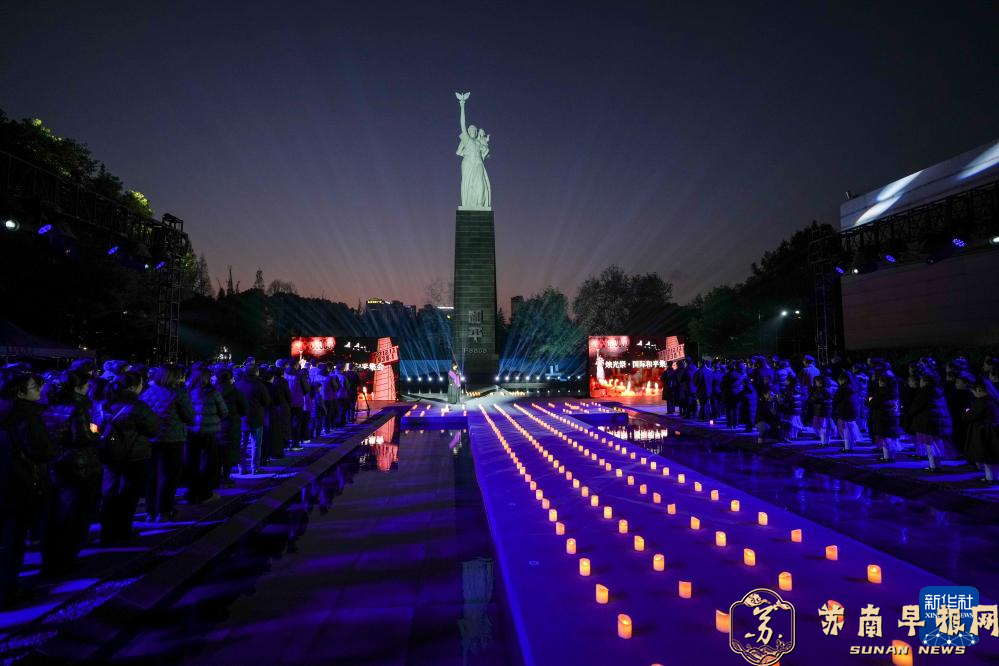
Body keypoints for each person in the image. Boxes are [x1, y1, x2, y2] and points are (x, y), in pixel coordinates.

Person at [0, 371, 59, 606]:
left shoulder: (7, 412)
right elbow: (42, 451)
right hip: (20, 482)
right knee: (13, 540)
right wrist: (56, 441)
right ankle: (8, 589)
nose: (40, 391)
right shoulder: (27, 416)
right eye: (35, 387)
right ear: (20, 391)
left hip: (6, 481)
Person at [40, 370, 102, 576]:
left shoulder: (48, 402)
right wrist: (96, 433)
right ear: (78, 387)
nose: (88, 389)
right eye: (86, 386)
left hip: (55, 463)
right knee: (74, 515)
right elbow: (81, 438)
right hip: (77, 464)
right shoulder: (78, 408)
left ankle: (50, 559)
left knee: (55, 513)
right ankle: (65, 561)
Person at [100, 371, 158, 543]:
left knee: (110, 493)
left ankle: (107, 532)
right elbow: (153, 428)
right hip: (134, 455)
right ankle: (122, 531)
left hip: (109, 453)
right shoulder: (137, 406)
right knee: (128, 495)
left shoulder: (105, 403)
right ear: (135, 386)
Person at [140, 365, 194, 521]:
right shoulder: (177, 393)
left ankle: (150, 511)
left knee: (152, 477)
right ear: (175, 377)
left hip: (151, 439)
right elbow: (189, 416)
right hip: (172, 438)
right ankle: (164, 511)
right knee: (169, 477)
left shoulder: (147, 392)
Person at [185, 366, 228, 504]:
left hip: (190, 432)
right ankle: (205, 494)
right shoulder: (213, 392)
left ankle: (192, 493)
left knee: (192, 463)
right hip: (208, 432)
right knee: (207, 464)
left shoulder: (186, 391)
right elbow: (224, 411)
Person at [908, 371, 956, 472]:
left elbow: (916, 406)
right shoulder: (939, 391)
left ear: (925, 382)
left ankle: (933, 466)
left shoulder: (924, 391)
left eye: (921, 381)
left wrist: (911, 412)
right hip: (938, 421)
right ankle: (936, 465)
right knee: (936, 444)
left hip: (927, 422)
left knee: (930, 445)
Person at [235, 364, 270, 475]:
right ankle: (254, 467)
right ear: (256, 372)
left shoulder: (238, 384)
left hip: (242, 418)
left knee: (242, 443)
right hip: (256, 417)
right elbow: (266, 401)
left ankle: (241, 467)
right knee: (256, 443)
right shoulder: (259, 385)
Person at [214, 367, 246, 487]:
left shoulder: (212, 390)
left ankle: (217, 477)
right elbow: (244, 408)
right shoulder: (235, 392)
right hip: (231, 424)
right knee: (229, 452)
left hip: (216, 425)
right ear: (230, 378)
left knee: (217, 452)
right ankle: (226, 478)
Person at [963, 380, 999, 484]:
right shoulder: (993, 400)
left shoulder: (981, 402)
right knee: (993, 456)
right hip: (994, 430)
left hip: (984, 432)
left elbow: (967, 417)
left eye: (973, 392)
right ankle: (994, 477)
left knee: (986, 456)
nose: (974, 395)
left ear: (979, 390)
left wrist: (967, 411)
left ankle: (990, 478)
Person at [869, 371, 904, 463]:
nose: (878, 383)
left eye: (880, 381)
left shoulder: (881, 393)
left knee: (885, 439)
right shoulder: (894, 392)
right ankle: (890, 456)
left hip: (882, 419)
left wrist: (870, 398)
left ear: (884, 382)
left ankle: (887, 457)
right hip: (893, 418)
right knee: (890, 438)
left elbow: (870, 403)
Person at [833, 370, 862, 453]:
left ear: (843, 379)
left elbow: (836, 399)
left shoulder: (843, 388)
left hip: (844, 411)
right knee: (850, 428)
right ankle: (851, 446)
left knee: (844, 429)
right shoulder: (854, 386)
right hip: (853, 410)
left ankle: (847, 447)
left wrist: (835, 409)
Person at [809, 375, 836, 447]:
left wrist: (815, 399)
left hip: (823, 411)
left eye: (819, 381)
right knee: (822, 427)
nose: (818, 382)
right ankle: (824, 442)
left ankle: (824, 443)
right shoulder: (818, 390)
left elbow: (822, 400)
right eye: (816, 381)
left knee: (824, 427)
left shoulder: (824, 390)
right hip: (820, 411)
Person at [754, 378, 781, 445]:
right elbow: (765, 412)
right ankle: (760, 441)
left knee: (784, 424)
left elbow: (777, 411)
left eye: (772, 393)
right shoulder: (762, 401)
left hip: (771, 420)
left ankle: (776, 438)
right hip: (761, 421)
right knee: (765, 427)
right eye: (769, 394)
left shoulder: (774, 399)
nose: (771, 395)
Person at [778, 373, 803, 440]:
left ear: (789, 381)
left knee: (791, 423)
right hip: (797, 408)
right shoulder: (797, 388)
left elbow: (787, 399)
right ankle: (794, 436)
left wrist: (780, 399)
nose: (785, 381)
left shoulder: (790, 389)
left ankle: (790, 436)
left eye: (786, 380)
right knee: (795, 423)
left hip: (792, 409)